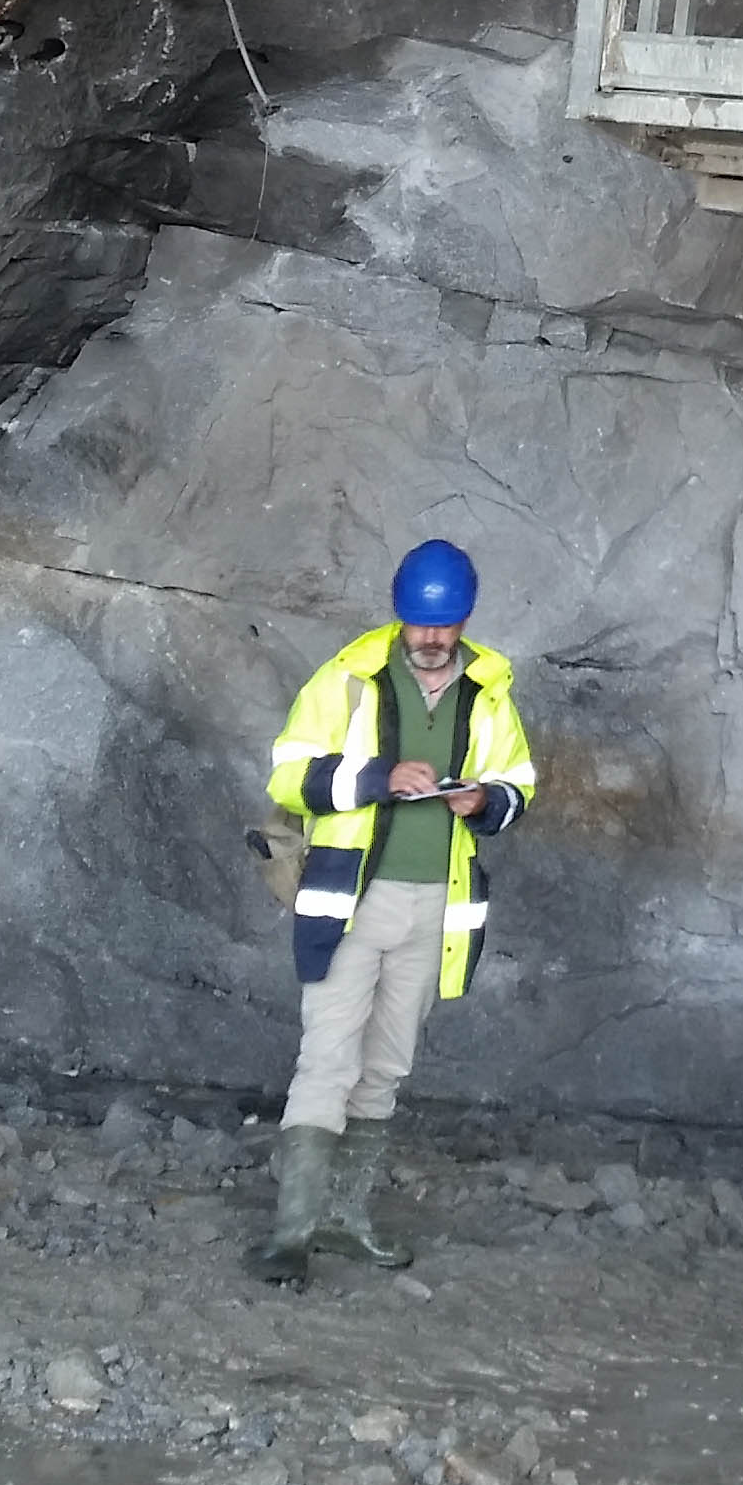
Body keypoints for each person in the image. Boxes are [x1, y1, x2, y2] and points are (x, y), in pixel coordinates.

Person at [255, 538, 540, 1286]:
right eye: (420, 624)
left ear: (465, 619)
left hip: (434, 908)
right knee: (327, 1060)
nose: (432, 639)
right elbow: (289, 774)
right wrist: (379, 776)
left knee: (385, 1070)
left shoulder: (488, 691)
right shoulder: (349, 678)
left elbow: (519, 783)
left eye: (444, 626)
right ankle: (291, 1233)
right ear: (400, 615)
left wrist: (485, 801)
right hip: (350, 901)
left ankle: (348, 1221)